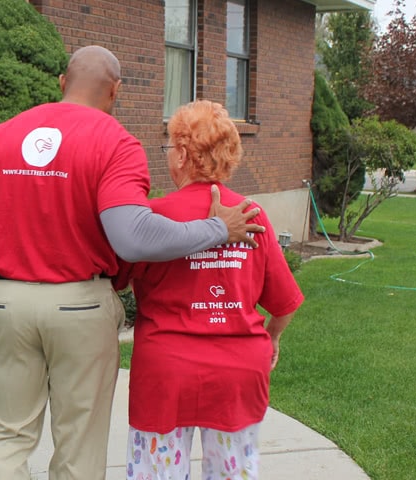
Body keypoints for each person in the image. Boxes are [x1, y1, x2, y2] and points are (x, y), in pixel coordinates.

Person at [0, 46, 265, 480]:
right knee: (80, 443)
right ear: (115, 91)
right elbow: (132, 239)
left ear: (62, 82)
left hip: (8, 303)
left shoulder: (0, 136)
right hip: (81, 307)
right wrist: (216, 230)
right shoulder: (116, 143)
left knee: (6, 435)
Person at [114, 100, 303, 480]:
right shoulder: (253, 215)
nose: (168, 154)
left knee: (157, 474)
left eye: (168, 147)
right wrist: (272, 338)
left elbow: (115, 277)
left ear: (182, 154)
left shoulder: (153, 216)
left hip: (166, 373)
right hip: (238, 372)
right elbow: (285, 302)